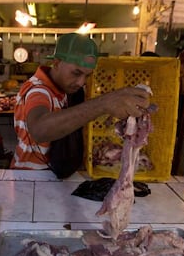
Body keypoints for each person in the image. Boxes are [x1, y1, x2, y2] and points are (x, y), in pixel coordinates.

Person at [11, 32, 151, 170]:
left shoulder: (60, 88)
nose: (81, 82)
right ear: (57, 63)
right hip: (30, 175)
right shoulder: (38, 90)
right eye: (76, 73)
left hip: (47, 174)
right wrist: (104, 103)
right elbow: (39, 129)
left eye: (87, 75)